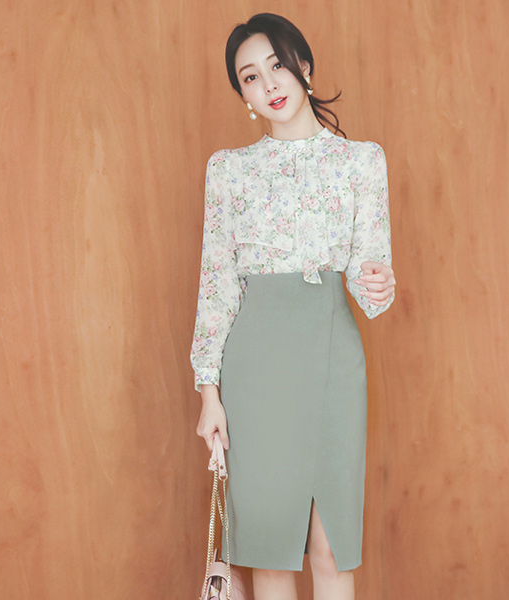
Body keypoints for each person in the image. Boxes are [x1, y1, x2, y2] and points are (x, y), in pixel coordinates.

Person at [190, 12, 396, 600]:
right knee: (269, 547)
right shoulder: (229, 171)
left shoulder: (361, 161)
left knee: (331, 545)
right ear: (243, 95)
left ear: (304, 65)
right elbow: (217, 284)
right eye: (250, 77)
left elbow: (369, 277)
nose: (269, 84)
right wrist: (209, 393)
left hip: (332, 360)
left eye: (277, 65)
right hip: (256, 370)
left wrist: (378, 286)